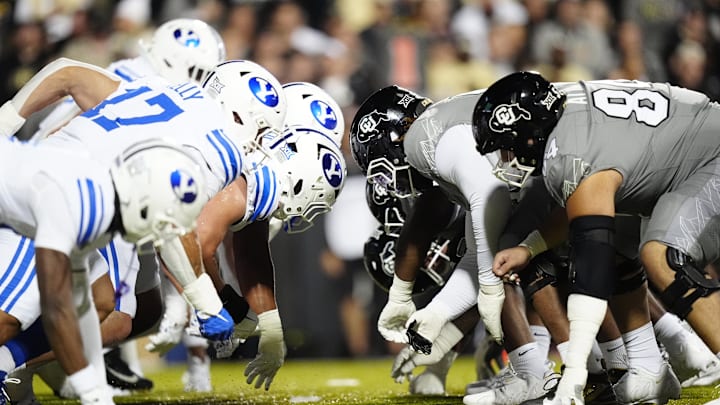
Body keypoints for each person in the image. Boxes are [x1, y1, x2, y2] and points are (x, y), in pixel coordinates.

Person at [472, 71, 720, 404]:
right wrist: (529, 248)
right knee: (617, 240)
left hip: (711, 156)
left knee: (662, 257)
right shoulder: (570, 130)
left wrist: (574, 372)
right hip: (692, 160)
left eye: (507, 147)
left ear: (529, 133)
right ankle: (648, 369)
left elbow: (593, 268)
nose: (507, 159)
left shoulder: (570, 152)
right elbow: (585, 206)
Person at [349, 86, 561, 404]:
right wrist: (433, 317)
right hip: (571, 164)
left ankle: (550, 370)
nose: (398, 187)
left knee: (513, 253)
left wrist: (440, 339)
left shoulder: (432, 144)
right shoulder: (446, 138)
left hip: (575, 164)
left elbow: (486, 232)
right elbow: (478, 258)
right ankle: (559, 367)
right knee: (511, 254)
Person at [0, 134, 207, 405]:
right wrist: (92, 393)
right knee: (11, 317)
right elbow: (56, 308)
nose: (162, 233)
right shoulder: (84, 204)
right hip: (22, 215)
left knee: (103, 299)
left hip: (22, 212)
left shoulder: (104, 199)